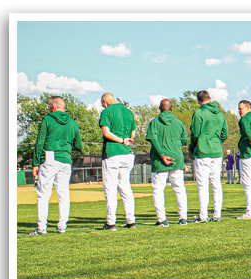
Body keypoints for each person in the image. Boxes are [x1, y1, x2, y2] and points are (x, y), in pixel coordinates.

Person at [29, 96, 83, 235]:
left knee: (43, 194)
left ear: (53, 107)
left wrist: (35, 162)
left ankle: (41, 228)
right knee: (63, 193)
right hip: (66, 159)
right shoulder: (73, 123)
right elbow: (79, 145)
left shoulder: (48, 119)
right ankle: (62, 226)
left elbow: (40, 142)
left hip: (50, 157)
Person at [145, 99, 189, 227]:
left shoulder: (154, 122)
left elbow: (153, 139)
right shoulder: (179, 123)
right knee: (179, 189)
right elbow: (184, 140)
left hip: (160, 161)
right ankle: (183, 218)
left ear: (160, 108)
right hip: (177, 160)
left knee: (158, 190)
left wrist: (163, 155)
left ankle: (162, 220)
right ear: (171, 108)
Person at [97, 92, 137, 231]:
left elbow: (106, 133)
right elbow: (133, 133)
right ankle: (131, 221)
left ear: (104, 100)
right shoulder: (128, 112)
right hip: (127, 154)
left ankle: (110, 222)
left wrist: (120, 140)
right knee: (125, 187)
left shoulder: (107, 111)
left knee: (110, 189)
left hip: (113, 153)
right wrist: (126, 141)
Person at [190, 90, 229, 222]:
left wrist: (194, 145)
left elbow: (195, 133)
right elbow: (225, 133)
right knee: (216, 183)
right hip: (217, 151)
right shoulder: (221, 115)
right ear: (210, 98)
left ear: (198, 101)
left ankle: (203, 215)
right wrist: (217, 141)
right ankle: (217, 214)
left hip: (203, 151)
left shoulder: (199, 113)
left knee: (203, 184)